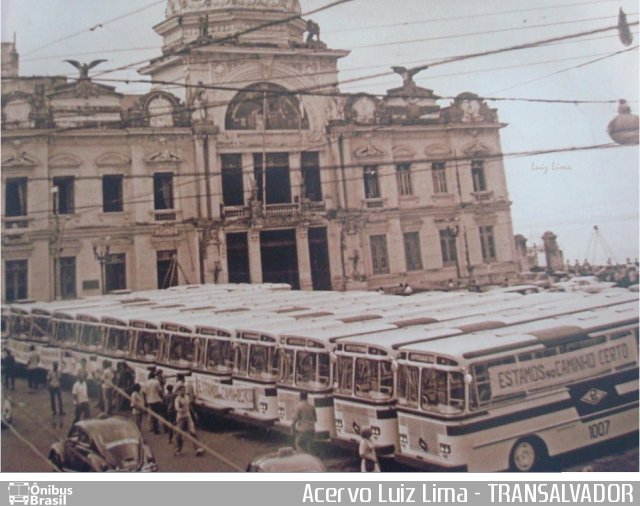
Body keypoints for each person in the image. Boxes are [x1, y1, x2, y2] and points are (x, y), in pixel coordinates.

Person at [174, 385, 204, 456]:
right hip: (180, 418)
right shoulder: (177, 399)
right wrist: (181, 408)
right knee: (178, 434)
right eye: (181, 390)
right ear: (178, 391)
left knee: (192, 432)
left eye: (184, 390)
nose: (183, 391)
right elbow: (177, 408)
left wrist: (194, 413)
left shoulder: (187, 397)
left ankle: (198, 448)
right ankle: (178, 449)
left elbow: (189, 405)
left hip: (188, 417)